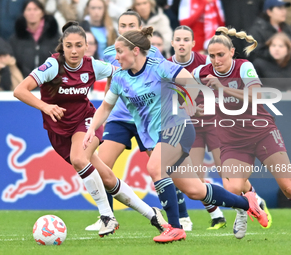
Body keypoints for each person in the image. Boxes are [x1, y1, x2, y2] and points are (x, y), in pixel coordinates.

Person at [83, 26, 268, 243]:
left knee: (155, 167)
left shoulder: (158, 66)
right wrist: (91, 129)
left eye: (120, 51)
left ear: (135, 51)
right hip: (155, 137)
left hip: (176, 126)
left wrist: (188, 101)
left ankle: (174, 228)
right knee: (196, 190)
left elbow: (189, 80)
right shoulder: (120, 78)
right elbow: (105, 107)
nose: (116, 57)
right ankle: (249, 203)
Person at [13, 21, 168, 237]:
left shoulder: (93, 66)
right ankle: (152, 214)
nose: (74, 51)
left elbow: (119, 72)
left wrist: (111, 98)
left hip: (86, 122)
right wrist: (45, 106)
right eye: (69, 46)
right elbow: (20, 90)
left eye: (79, 45)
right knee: (106, 176)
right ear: (62, 46)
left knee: (79, 159)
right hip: (58, 130)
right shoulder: (52, 66)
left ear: (87, 45)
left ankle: (107, 216)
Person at [193, 26, 291, 240]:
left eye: (221, 55)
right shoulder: (201, 72)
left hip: (262, 133)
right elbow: (176, 85)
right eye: (212, 56)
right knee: (231, 190)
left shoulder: (244, 67)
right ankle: (244, 206)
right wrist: (192, 106)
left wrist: (222, 88)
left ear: (231, 53)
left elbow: (256, 96)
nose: (216, 60)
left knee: (290, 188)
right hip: (232, 141)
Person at [85, 10, 193, 233]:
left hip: (148, 118)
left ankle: (181, 217)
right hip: (121, 118)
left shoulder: (152, 54)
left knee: (164, 168)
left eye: (131, 25)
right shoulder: (110, 53)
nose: (126, 29)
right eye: (122, 25)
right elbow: (111, 86)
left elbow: (165, 83)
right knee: (102, 164)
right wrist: (100, 119)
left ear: (139, 30)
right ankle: (107, 216)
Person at [170, 25, 272, 230]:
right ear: (172, 43)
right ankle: (218, 215)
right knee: (197, 175)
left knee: (229, 177)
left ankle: (253, 197)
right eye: (177, 39)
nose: (181, 43)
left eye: (185, 39)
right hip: (196, 125)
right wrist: (187, 106)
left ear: (192, 43)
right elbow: (181, 92)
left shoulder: (206, 63)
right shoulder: (171, 66)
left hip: (217, 124)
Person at [9, 0, 60, 79]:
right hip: (24, 83)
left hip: (50, 84)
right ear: (24, 13)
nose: (32, 13)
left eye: (35, 9)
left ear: (42, 13)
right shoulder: (15, 40)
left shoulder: (55, 37)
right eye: (28, 9)